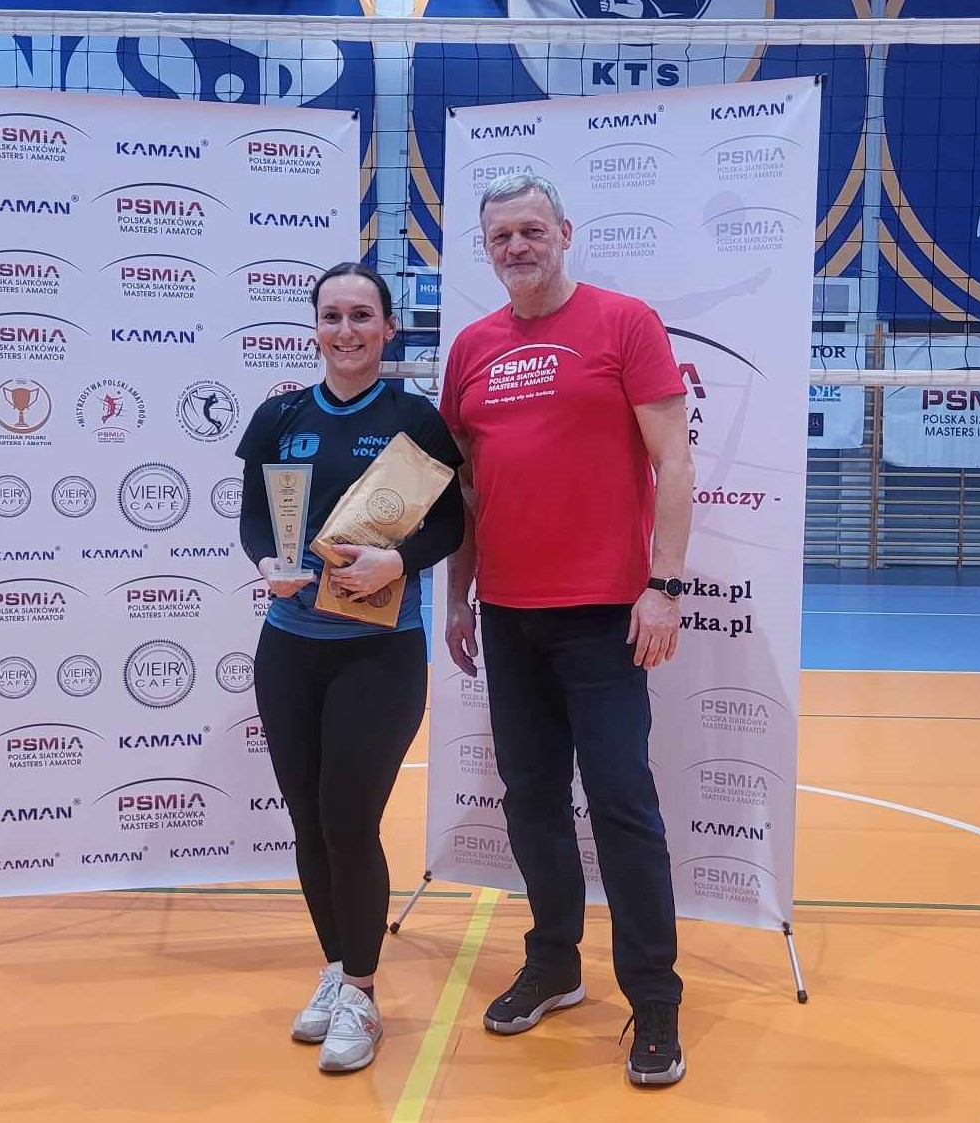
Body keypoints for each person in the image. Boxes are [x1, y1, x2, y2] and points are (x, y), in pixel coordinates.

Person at [439, 174, 693, 1086]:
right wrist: (458, 596)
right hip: (509, 614)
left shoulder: (625, 322)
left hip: (604, 613)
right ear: (487, 249)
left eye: (531, 230)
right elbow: (464, 488)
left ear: (564, 233)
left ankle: (654, 1000)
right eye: (500, 235)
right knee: (532, 798)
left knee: (622, 801)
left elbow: (673, 459)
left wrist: (663, 586)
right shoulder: (471, 347)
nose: (517, 246)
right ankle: (554, 962)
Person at [236, 262, 464, 1074]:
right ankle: (337, 969)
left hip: (379, 652)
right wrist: (268, 562)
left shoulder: (415, 420)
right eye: (331, 315)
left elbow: (451, 525)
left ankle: (362, 996)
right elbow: (254, 515)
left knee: (348, 820)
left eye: (362, 315)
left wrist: (397, 563)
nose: (346, 330)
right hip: (289, 647)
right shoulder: (280, 415)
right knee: (308, 820)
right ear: (316, 328)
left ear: (388, 328)